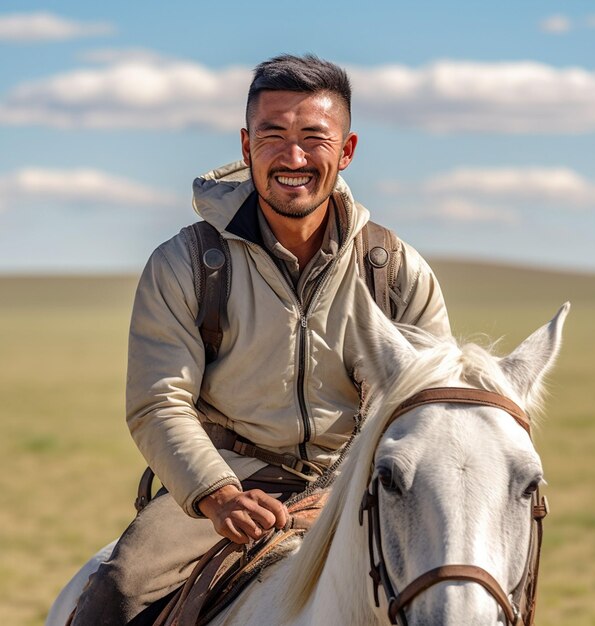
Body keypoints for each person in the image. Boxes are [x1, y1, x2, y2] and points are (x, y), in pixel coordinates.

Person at [71, 54, 451, 625]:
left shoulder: (395, 270)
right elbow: (158, 401)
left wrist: (348, 485)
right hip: (224, 480)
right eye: (273, 135)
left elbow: (433, 409)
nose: (292, 157)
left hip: (357, 488)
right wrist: (217, 494)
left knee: (464, 591)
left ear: (346, 152)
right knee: (117, 594)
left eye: (313, 138)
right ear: (247, 147)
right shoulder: (186, 263)